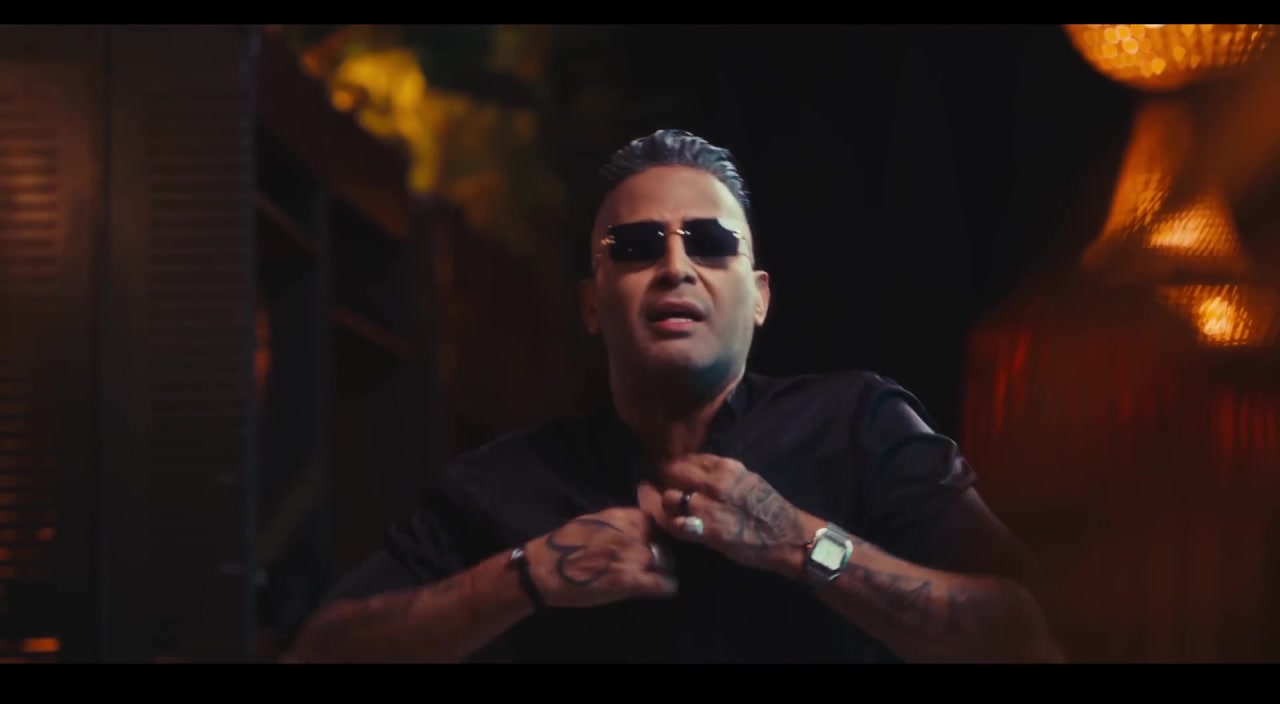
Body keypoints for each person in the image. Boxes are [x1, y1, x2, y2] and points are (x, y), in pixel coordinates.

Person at [281, 129, 1064, 663]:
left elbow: (1030, 635)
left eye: (712, 243)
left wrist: (800, 543)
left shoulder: (859, 425)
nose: (676, 267)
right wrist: (522, 577)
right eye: (636, 246)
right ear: (592, 304)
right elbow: (321, 649)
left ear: (759, 297)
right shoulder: (502, 485)